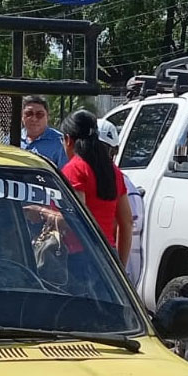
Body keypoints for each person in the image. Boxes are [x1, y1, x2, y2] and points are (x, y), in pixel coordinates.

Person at [60, 110, 132, 267]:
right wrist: (120, 267)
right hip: (108, 254)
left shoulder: (74, 169)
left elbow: (77, 218)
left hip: (78, 256)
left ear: (67, 139)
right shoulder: (113, 171)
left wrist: (43, 214)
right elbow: (126, 222)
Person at [98, 119, 145, 289]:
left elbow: (125, 226)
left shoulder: (121, 184)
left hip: (113, 277)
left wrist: (118, 273)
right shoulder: (113, 180)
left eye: (102, 149)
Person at [17, 95, 67, 168]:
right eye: (29, 114)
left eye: (39, 114)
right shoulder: (10, 138)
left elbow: (65, 174)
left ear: (48, 116)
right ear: (22, 116)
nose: (34, 119)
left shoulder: (60, 142)